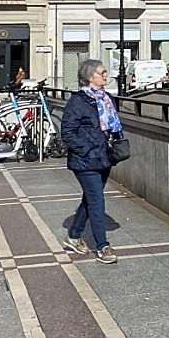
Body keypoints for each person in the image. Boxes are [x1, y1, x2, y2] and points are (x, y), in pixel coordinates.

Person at [60, 59, 119, 264]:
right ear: (90, 76)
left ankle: (74, 236)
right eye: (102, 72)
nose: (105, 75)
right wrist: (86, 149)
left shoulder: (106, 98)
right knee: (97, 200)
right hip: (85, 160)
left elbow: (112, 125)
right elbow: (67, 132)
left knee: (91, 198)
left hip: (104, 158)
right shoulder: (78, 101)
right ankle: (102, 246)